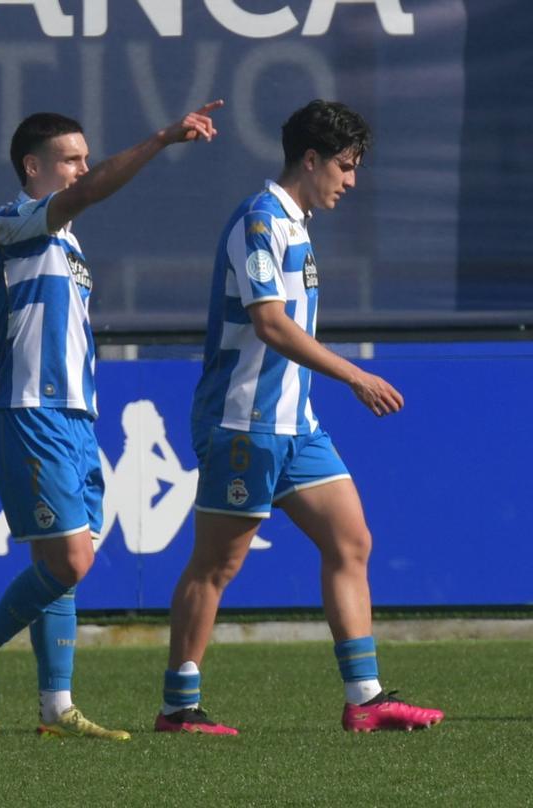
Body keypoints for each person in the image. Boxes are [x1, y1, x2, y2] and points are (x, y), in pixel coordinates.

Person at [156, 99, 444, 736]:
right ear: (309, 160)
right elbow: (270, 324)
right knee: (216, 566)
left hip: (296, 425)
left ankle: (364, 699)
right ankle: (179, 706)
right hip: (244, 422)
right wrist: (356, 374)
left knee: (351, 541)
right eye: (344, 166)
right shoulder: (260, 221)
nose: (351, 179)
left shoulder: (297, 224)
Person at [0, 102, 223, 740]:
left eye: (85, 158)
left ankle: (54, 708)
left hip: (72, 417)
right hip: (27, 411)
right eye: (70, 159)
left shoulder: (68, 244)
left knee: (65, 558)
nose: (82, 169)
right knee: (69, 561)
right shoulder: (14, 220)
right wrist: (159, 139)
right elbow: (91, 193)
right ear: (32, 166)